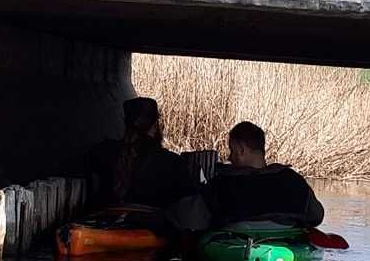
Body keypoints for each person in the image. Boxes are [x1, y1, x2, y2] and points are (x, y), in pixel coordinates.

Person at [174, 120, 325, 231]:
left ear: (241, 150)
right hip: (284, 244)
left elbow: (188, 219)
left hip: (237, 243)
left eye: (232, 151)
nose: (229, 158)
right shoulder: (293, 180)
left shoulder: (223, 184)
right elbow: (317, 216)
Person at [84, 96, 191, 211]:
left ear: (125, 124)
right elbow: (188, 205)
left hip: (104, 222)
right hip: (149, 225)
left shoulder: (104, 151)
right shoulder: (172, 163)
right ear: (155, 126)